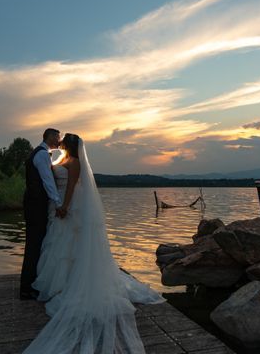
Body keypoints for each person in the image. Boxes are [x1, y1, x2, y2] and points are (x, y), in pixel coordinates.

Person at [23, 133, 165, 354]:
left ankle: (67, 283)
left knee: (68, 245)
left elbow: (70, 187)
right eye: (58, 138)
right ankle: (59, 282)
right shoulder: (60, 159)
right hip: (56, 205)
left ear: (69, 144)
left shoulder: (76, 163)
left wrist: (65, 207)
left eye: (63, 140)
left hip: (67, 206)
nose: (60, 141)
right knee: (57, 245)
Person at [19, 127, 62, 300]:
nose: (59, 141)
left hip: (33, 203)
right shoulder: (43, 155)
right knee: (33, 246)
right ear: (50, 137)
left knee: (34, 244)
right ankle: (26, 288)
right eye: (57, 137)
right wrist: (58, 203)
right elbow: (47, 181)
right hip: (36, 205)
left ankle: (30, 284)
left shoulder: (39, 153)